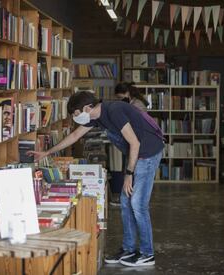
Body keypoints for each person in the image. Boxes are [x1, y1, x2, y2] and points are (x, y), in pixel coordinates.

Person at [27, 91, 163, 267]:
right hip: (135, 155)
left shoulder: (113, 111)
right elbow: (75, 136)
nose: (76, 118)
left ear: (86, 108)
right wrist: (47, 152)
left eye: (76, 114)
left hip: (147, 154)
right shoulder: (96, 116)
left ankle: (147, 253)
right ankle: (129, 249)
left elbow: (135, 143)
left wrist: (128, 175)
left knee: (138, 204)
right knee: (125, 202)